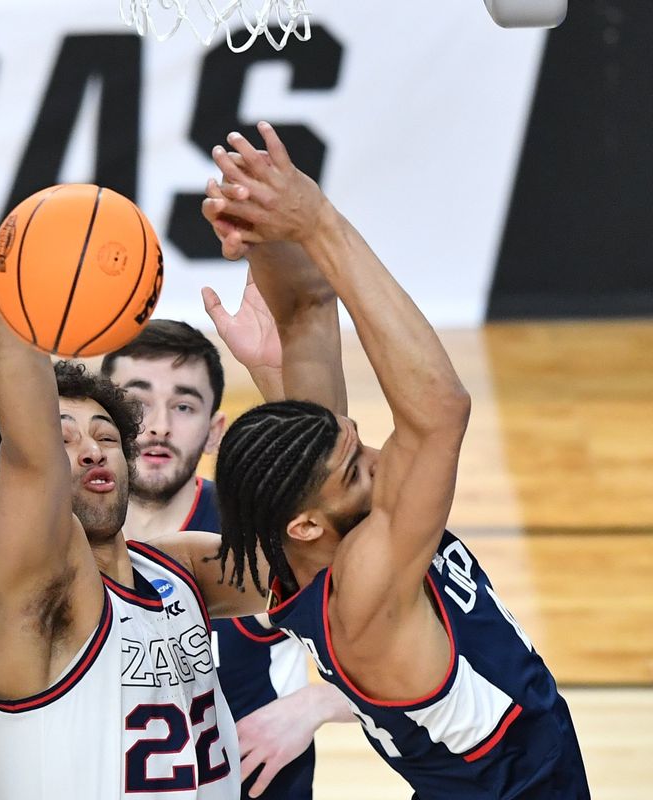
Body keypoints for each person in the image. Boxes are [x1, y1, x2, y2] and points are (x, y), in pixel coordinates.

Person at [0, 245, 354, 800]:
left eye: (107, 437)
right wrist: (14, 304)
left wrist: (288, 353)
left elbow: (328, 539)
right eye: (64, 440)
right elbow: (30, 462)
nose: (92, 451)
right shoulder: (30, 584)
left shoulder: (181, 568)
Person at [203, 123, 590, 798]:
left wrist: (265, 233)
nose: (380, 461)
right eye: (355, 469)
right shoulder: (365, 585)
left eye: (357, 444)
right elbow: (441, 409)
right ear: (305, 525)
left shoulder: (310, 535)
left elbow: (308, 317)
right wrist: (318, 220)